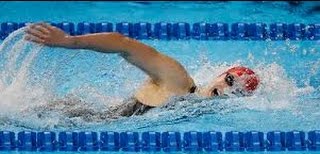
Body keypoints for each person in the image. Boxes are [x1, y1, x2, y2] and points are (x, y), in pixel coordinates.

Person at [24, 23, 260, 119]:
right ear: (220, 74)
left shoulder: (199, 111)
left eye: (235, 91)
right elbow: (124, 44)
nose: (225, 89)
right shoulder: (178, 79)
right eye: (229, 80)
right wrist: (69, 41)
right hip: (76, 119)